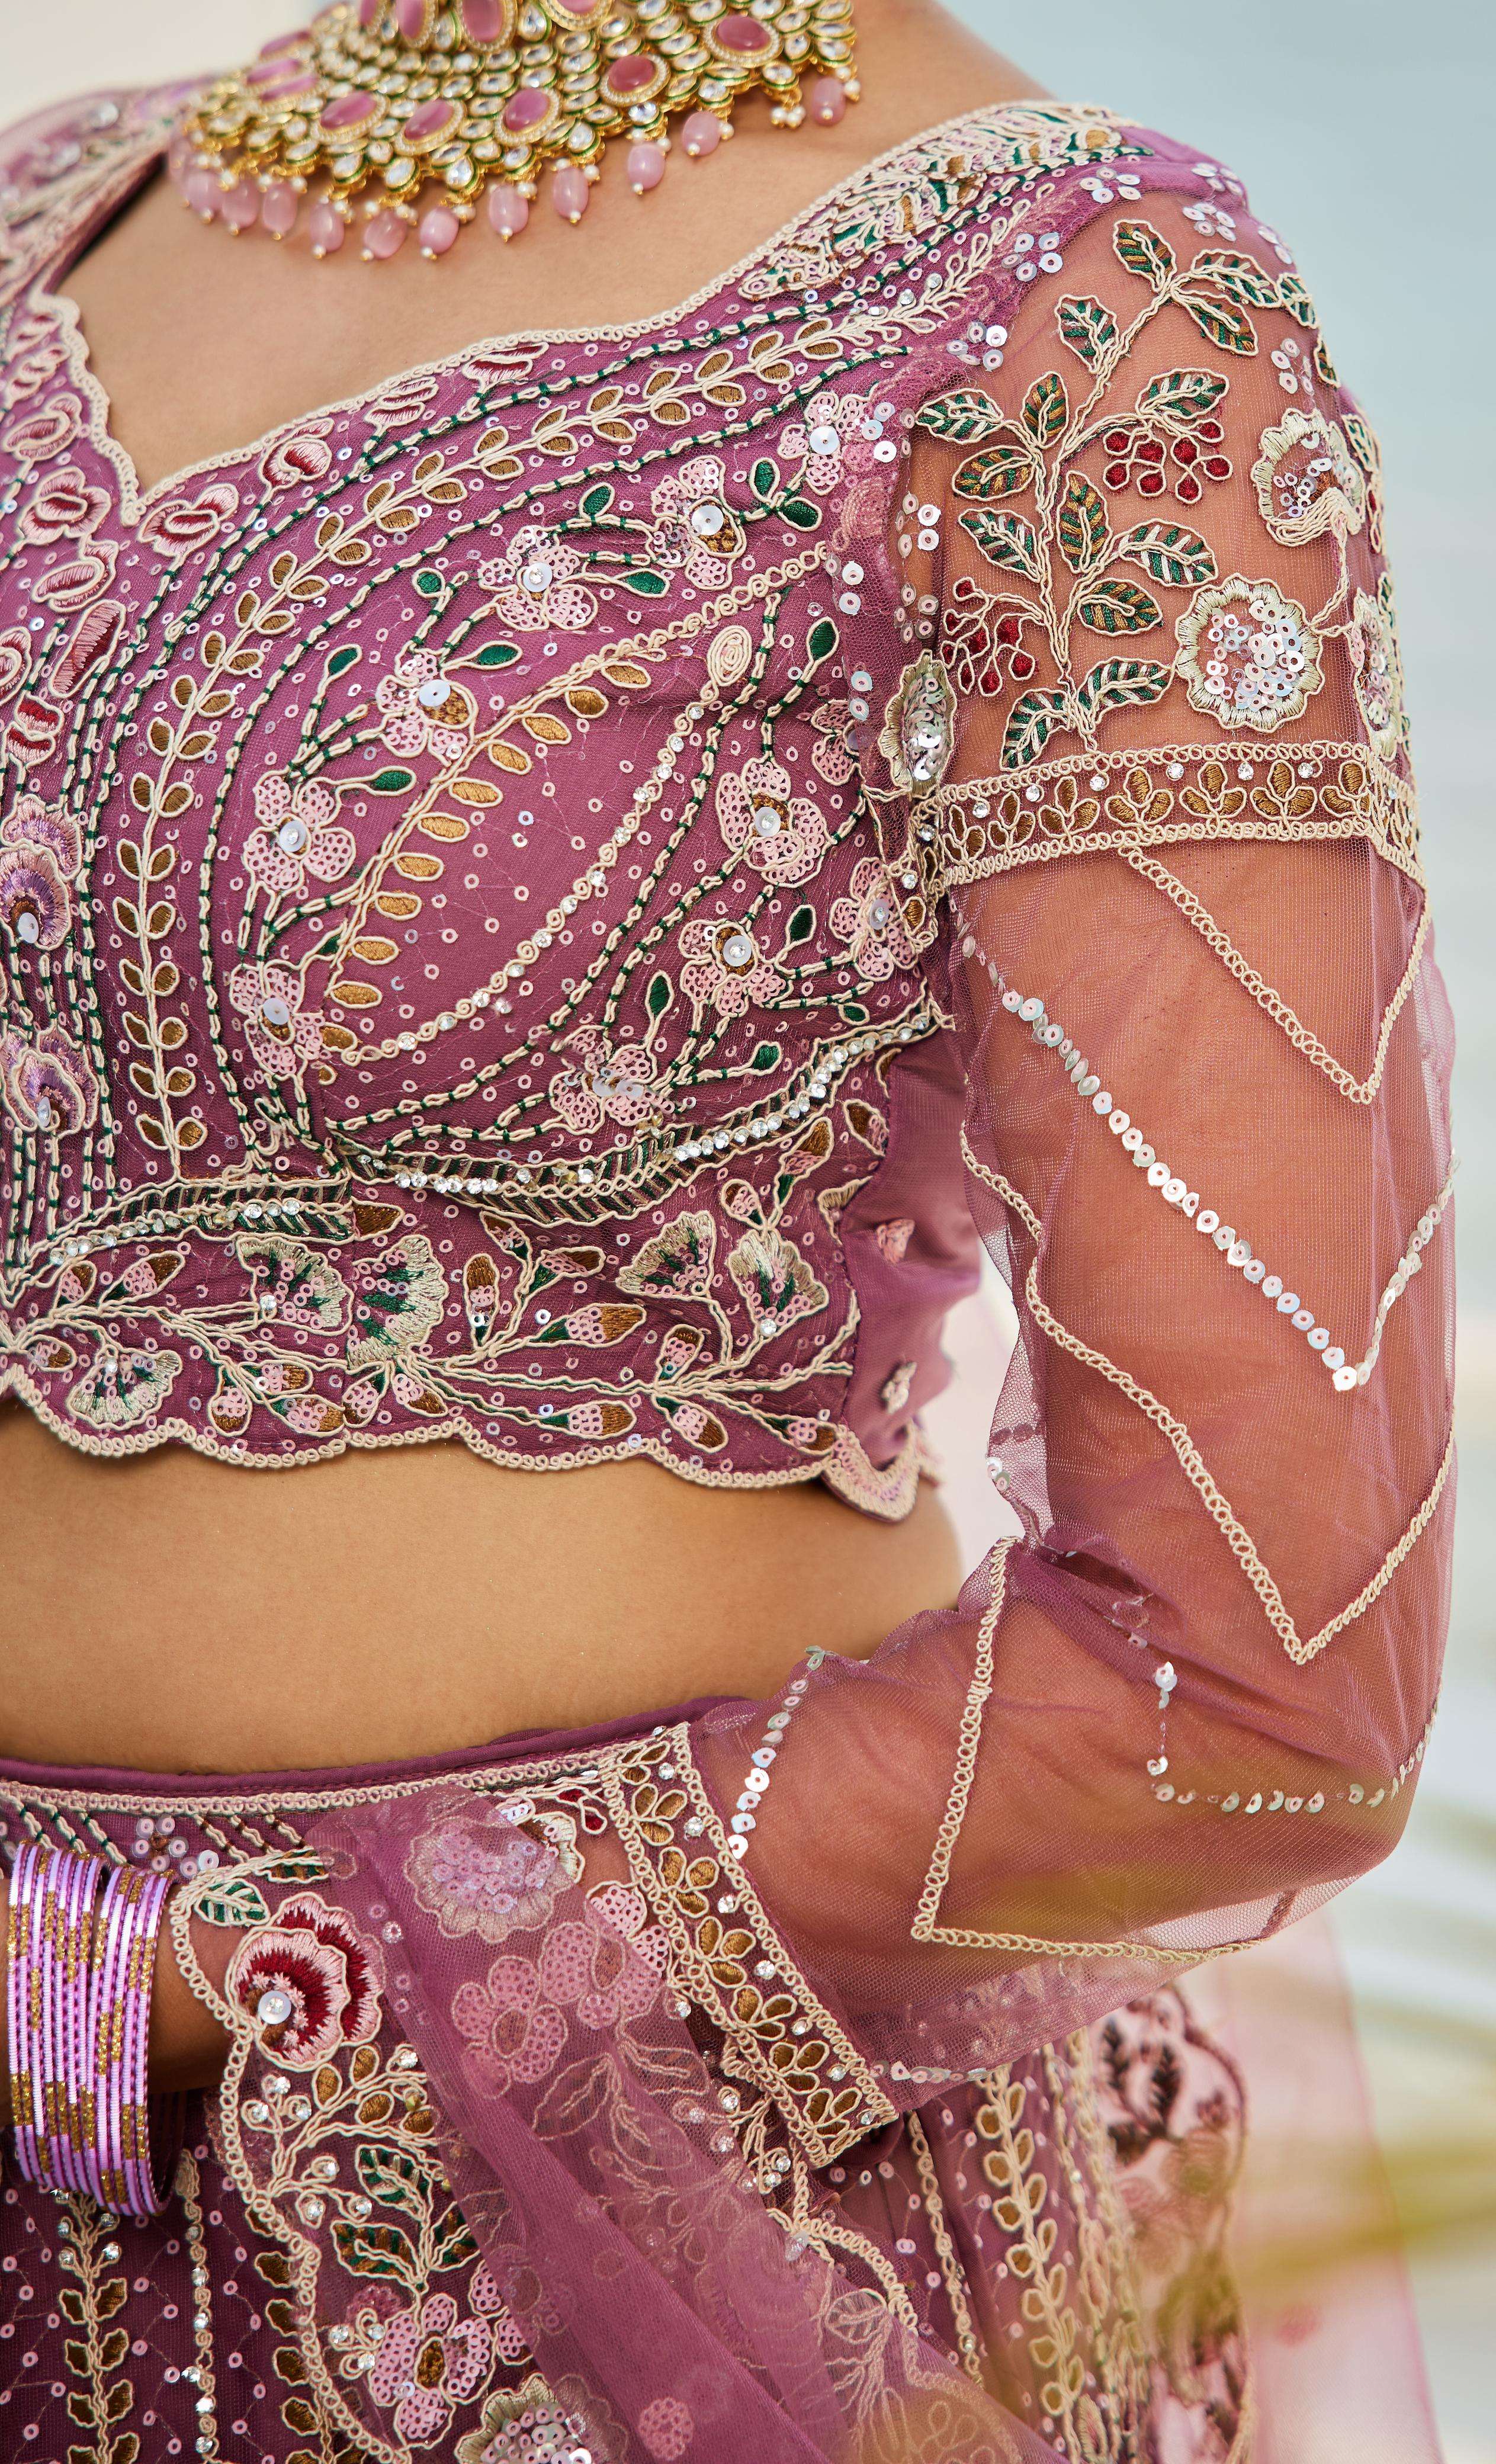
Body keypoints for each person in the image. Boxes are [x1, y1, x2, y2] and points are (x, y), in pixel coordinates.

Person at [0, 1, 1453, 2455]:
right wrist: (56, 2010)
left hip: (649, 2273)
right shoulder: (45, 213)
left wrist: (175, 1983)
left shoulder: (1086, 320)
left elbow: (1256, 1704)